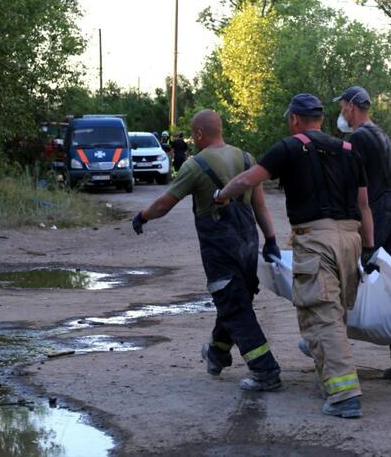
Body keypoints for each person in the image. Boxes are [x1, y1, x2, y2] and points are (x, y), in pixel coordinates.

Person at [215, 93, 375, 418]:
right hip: (352, 240)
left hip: (317, 240)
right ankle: (329, 380)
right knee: (335, 314)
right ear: (321, 118)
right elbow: (363, 205)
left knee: (321, 316)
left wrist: (221, 195)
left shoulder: (289, 147)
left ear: (294, 119)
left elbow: (249, 179)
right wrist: (369, 249)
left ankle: (345, 396)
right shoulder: (348, 150)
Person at [132, 109, 282, 392]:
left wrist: (142, 216)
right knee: (236, 298)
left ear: (199, 134)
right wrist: (271, 239)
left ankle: (266, 371)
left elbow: (165, 203)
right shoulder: (246, 158)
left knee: (233, 304)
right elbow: (260, 205)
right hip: (248, 241)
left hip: (220, 246)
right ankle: (217, 353)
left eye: (192, 133)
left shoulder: (194, 165)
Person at [334, 86, 391, 381]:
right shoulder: (382, 135)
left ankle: (329, 345)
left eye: (343, 106)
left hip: (374, 213)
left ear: (352, 108)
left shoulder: (356, 138)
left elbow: (351, 184)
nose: (341, 112)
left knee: (346, 276)